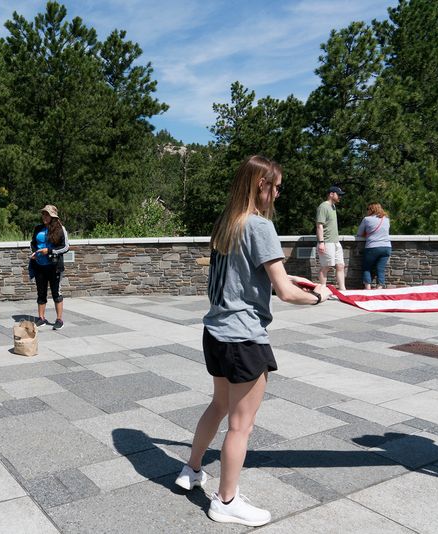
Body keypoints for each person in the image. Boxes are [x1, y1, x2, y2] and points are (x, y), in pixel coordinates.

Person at [174, 156, 331, 527]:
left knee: (218, 406)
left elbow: (254, 273)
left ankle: (191, 469)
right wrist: (320, 296)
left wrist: (296, 284)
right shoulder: (260, 226)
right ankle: (226, 501)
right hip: (244, 337)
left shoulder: (227, 223)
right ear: (260, 185)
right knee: (241, 426)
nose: (277, 193)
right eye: (275, 186)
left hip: (215, 332)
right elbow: (285, 292)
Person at [30, 205, 69, 329]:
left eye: (47, 214)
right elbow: (33, 243)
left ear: (53, 217)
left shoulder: (60, 229)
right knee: (41, 293)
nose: (44, 217)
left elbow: (65, 247)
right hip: (39, 266)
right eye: (43, 214)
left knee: (56, 293)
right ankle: (41, 318)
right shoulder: (38, 228)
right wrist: (35, 252)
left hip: (54, 266)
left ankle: (59, 320)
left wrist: (50, 251)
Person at [316, 185, 346, 291]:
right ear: (331, 194)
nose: (340, 197)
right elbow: (319, 225)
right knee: (326, 267)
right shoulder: (323, 206)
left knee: (340, 266)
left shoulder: (333, 207)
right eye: (339, 195)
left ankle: (343, 290)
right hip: (327, 242)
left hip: (335, 242)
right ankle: (322, 290)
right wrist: (321, 242)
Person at [357, 202, 392, 289]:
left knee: (366, 267)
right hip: (386, 246)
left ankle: (367, 287)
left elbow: (359, 233)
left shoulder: (367, 219)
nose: (367, 211)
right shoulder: (386, 219)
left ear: (372, 209)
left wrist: (367, 233)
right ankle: (380, 287)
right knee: (380, 268)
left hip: (372, 247)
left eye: (368, 209)